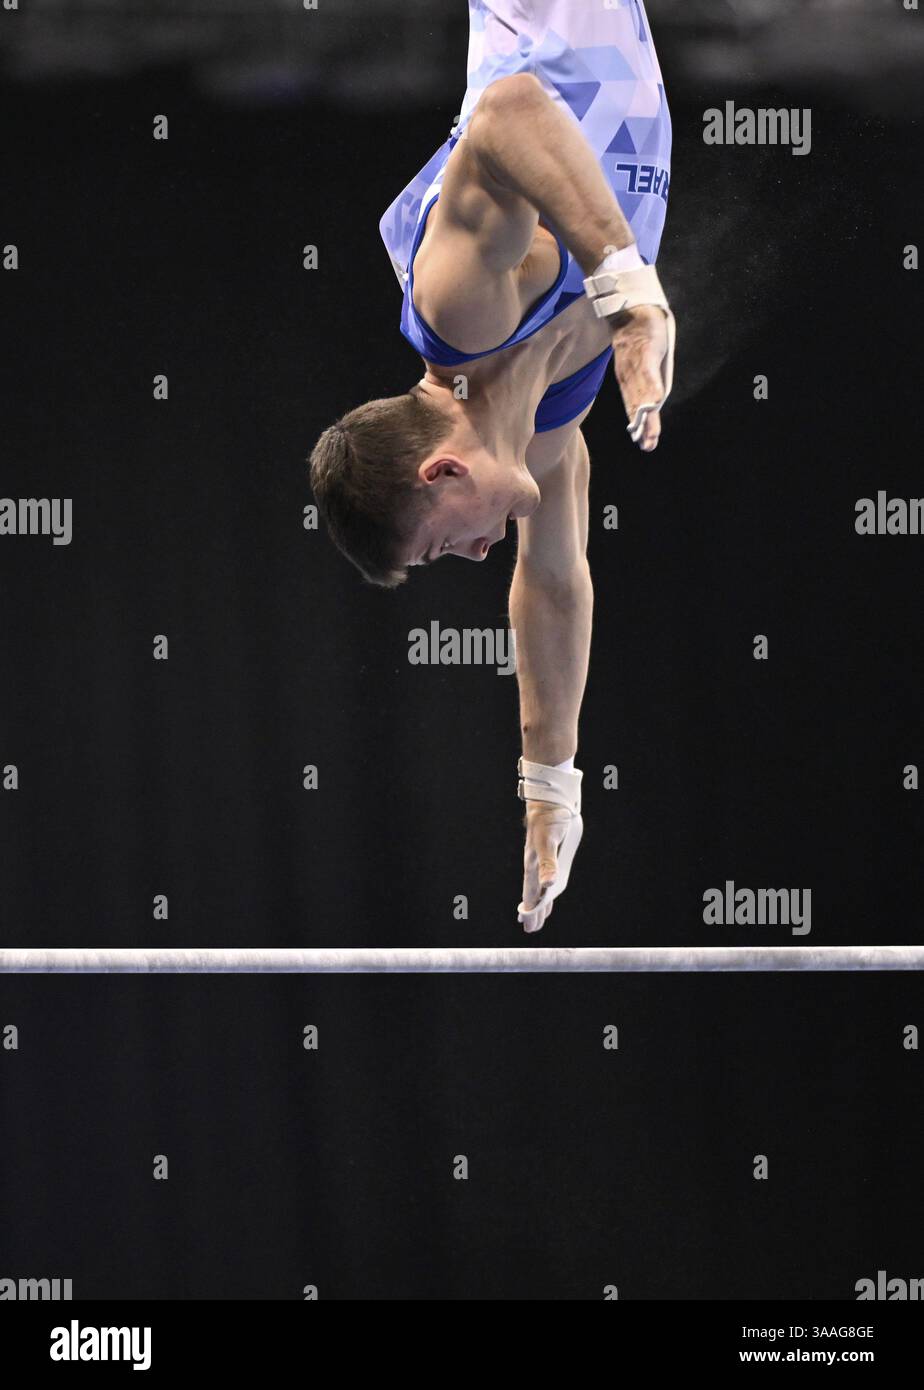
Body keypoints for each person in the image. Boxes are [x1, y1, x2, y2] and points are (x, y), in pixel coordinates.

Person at [309, 0, 675, 932]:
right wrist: (550, 784)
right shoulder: (542, 436)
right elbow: (550, 581)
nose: (476, 557)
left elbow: (508, 110)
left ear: (439, 473)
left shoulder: (458, 314)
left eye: (442, 548)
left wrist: (630, 297)